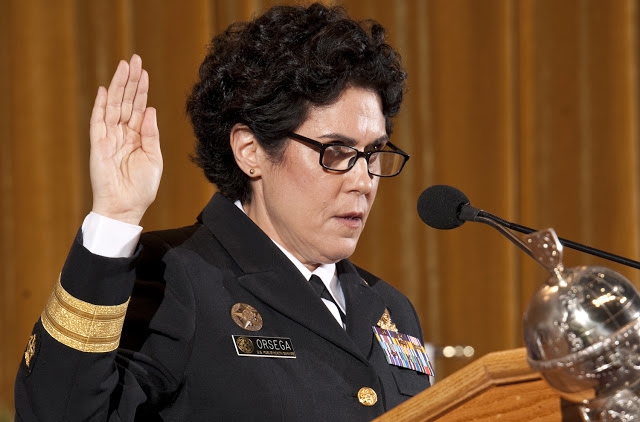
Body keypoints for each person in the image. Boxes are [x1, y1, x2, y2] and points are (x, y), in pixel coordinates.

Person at [14, 3, 432, 420]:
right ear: (250, 151)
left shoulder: (391, 309)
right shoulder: (175, 274)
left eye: (373, 153)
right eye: (336, 152)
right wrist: (114, 217)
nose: (363, 180)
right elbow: (58, 411)